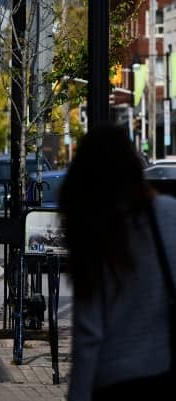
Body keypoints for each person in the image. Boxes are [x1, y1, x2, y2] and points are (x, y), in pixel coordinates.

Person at [60, 125, 176, 401]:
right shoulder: (168, 214)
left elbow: (89, 333)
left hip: (114, 379)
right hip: (164, 368)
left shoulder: (96, 229)